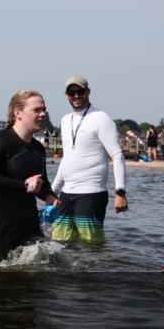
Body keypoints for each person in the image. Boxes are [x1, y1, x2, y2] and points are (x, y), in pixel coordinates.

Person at [0, 90, 60, 265]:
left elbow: (40, 183)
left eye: (44, 109)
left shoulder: (38, 148)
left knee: (47, 276)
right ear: (17, 113)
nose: (43, 114)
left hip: (29, 225)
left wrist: (49, 196)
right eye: (37, 110)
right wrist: (24, 185)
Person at [49, 76, 128, 244]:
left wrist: (120, 192)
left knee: (91, 247)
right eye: (72, 92)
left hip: (91, 193)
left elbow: (117, 155)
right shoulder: (64, 120)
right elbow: (67, 158)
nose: (76, 96)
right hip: (66, 194)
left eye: (80, 92)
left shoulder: (101, 118)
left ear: (88, 92)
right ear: (66, 95)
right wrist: (52, 192)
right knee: (58, 245)